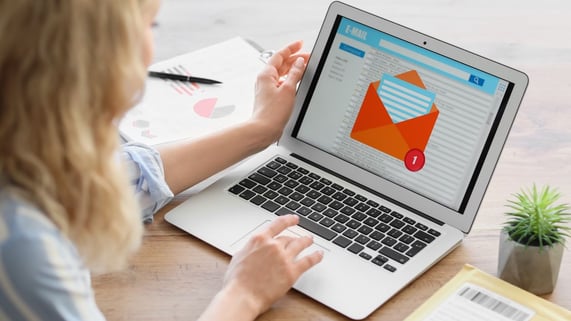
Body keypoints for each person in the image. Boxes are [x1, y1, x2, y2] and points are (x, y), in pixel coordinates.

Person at [0, 0, 323, 320]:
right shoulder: (24, 247)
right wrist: (244, 295)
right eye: (148, 26)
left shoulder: (25, 157)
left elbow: (120, 177)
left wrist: (260, 130)